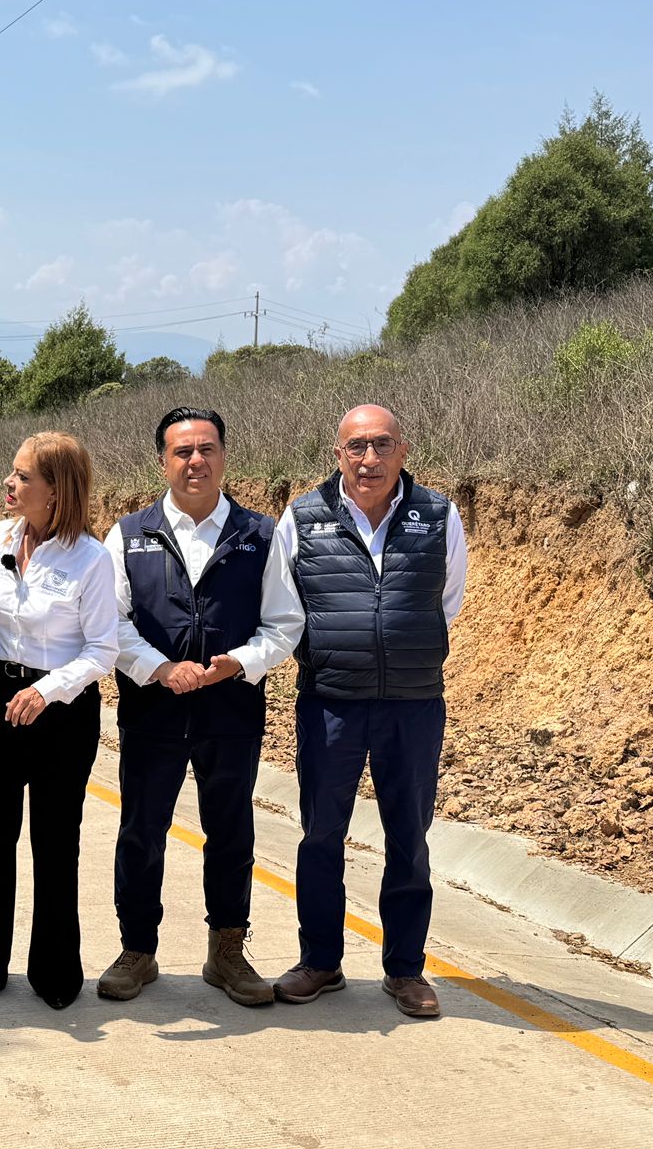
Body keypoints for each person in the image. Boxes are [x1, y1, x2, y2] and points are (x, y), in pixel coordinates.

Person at [97, 407, 303, 1006]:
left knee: (232, 831)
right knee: (142, 832)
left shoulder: (260, 534)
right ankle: (137, 949)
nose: (196, 461)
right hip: (152, 711)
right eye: (183, 451)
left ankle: (227, 951)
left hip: (230, 709)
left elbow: (284, 623)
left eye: (207, 449)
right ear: (163, 461)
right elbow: (110, 622)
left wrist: (238, 662)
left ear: (224, 456)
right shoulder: (128, 535)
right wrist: (161, 669)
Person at [270, 404, 467, 1018]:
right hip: (330, 702)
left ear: (403, 450)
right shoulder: (303, 517)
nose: (369, 458)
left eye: (382, 444)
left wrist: (403, 648)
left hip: (413, 704)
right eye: (356, 446)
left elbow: (446, 601)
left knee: (409, 837)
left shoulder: (439, 515)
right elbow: (285, 608)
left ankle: (405, 970)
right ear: (338, 454)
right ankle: (320, 962)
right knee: (321, 835)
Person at [0, 432, 118, 1008]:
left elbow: (102, 651)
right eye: (12, 472)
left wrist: (46, 691)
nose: (9, 483)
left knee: (55, 840)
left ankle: (55, 973)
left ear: (56, 490)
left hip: (62, 713)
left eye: (22, 476)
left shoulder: (91, 559)